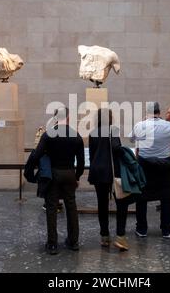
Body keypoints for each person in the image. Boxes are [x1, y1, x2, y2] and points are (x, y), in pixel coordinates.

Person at [30, 107, 85, 255]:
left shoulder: (48, 135)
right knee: (71, 207)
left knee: (52, 208)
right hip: (69, 173)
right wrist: (77, 177)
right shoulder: (76, 136)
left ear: (55, 118)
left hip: (53, 174)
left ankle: (52, 244)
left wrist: (32, 171)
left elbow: (37, 155)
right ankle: (73, 242)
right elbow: (81, 161)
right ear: (68, 118)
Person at [129, 102, 170, 238]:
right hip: (163, 166)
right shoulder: (169, 126)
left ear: (146, 112)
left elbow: (131, 139)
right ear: (159, 112)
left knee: (141, 199)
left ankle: (142, 229)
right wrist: (165, 150)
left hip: (144, 166)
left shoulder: (140, 125)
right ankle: (166, 230)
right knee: (165, 198)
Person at [88, 108, 136, 251]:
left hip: (98, 172)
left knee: (102, 204)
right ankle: (120, 236)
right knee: (121, 202)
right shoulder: (112, 131)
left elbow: (91, 155)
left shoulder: (93, 133)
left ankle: (104, 236)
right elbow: (116, 148)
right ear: (109, 118)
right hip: (113, 172)